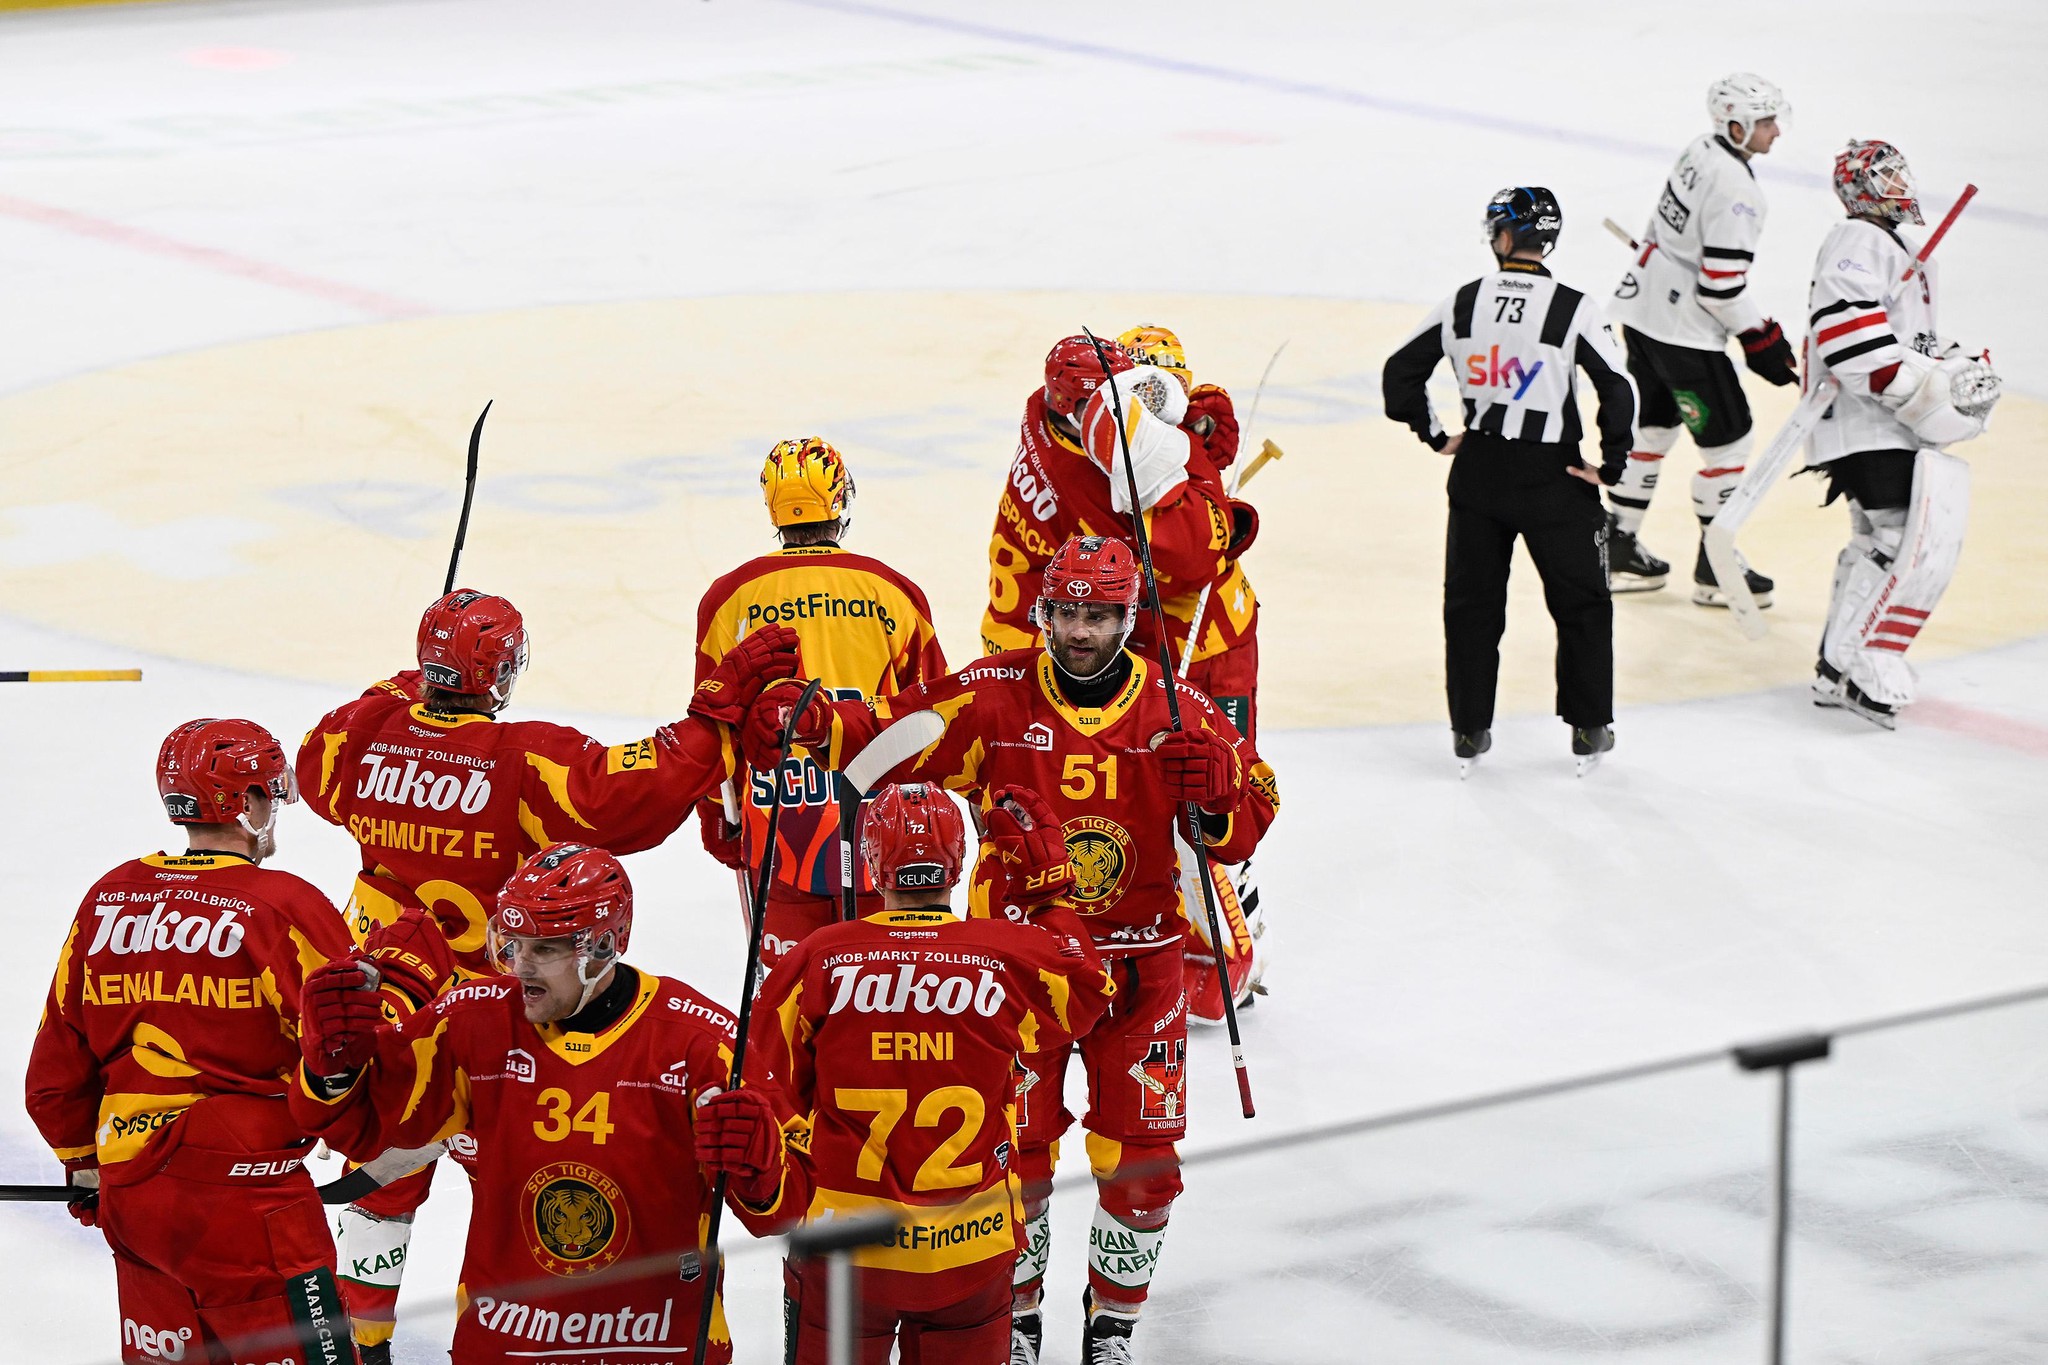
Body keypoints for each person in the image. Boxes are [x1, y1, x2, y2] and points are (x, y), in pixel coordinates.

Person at [747, 534, 1279, 1364]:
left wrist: (1218, 789)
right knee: (1017, 1161)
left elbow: (1247, 819)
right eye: (1063, 611)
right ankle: (1017, 1316)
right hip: (1017, 972)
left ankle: (1112, 1329)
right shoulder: (996, 691)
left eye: (1096, 615)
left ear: (1127, 619)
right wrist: (819, 725)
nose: (1076, 630)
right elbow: (895, 732)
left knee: (1142, 1172)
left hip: (1143, 970)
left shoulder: (1179, 708)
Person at [295, 589, 800, 1362]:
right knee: (529, 1183)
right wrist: (713, 718)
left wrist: (410, 693)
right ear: (500, 675)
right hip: (504, 1015)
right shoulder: (519, 758)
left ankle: (363, 1341)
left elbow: (318, 755)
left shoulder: (362, 737)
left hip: (395, 1000)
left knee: (384, 1178)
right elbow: (626, 793)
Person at [291, 843, 802, 1365]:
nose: (520, 967)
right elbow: (362, 1128)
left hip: (655, 1344)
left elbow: (785, 1213)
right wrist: (335, 1064)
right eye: (511, 945)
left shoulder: (701, 1044)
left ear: (606, 944)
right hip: (509, 1342)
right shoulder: (472, 1024)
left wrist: (761, 1171)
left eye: (545, 949)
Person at [695, 782, 1114, 1364]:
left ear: (871, 863)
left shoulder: (819, 955)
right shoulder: (1008, 953)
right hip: (973, 1250)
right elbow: (1092, 990)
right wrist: (1051, 900)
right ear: (959, 863)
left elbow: (767, 1087)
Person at [26, 719, 361, 1365]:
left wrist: (85, 1159)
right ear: (250, 802)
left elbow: (54, 1068)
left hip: (137, 1201)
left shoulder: (109, 896)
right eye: (269, 792)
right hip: (250, 1209)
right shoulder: (282, 904)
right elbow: (349, 1045)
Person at [1381, 186, 1637, 775]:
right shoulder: (1574, 306)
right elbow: (1618, 388)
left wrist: (1434, 433)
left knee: (1471, 608)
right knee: (1583, 605)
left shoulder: (1463, 302)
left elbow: (1400, 374)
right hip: (1556, 475)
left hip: (1480, 472)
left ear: (1502, 237)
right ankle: (1589, 726)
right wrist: (1613, 464)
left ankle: (1470, 731)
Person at [693, 437, 948, 971]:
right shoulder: (891, 591)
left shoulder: (729, 598)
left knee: (789, 999)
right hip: (888, 832)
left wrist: (718, 821)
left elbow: (714, 721)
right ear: (840, 501)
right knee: (884, 995)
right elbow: (933, 718)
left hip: (778, 828)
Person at [1800, 139, 2000, 728]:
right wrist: (1916, 389)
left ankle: (1835, 670)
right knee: (1896, 538)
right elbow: (1847, 338)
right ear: (1859, 188)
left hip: (1883, 419)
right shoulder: (1858, 239)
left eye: (1899, 172)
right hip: (1866, 417)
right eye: (1884, 176)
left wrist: (1953, 366)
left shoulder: (1897, 245)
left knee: (1876, 538)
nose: (1898, 183)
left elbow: (1908, 340)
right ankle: (1858, 670)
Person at [1114, 326, 1268, 1027]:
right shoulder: (1142, 443)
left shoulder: (1184, 434)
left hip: (1212, 641)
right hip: (1174, 641)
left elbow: (1216, 429)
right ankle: (1181, 934)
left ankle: (1235, 932)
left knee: (1219, 786)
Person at [1604, 73, 1798, 602]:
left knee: (1654, 427)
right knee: (1730, 443)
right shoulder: (1739, 191)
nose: (1776, 131)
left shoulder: (1700, 150)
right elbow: (1720, 287)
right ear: (1735, 127)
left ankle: (1617, 547)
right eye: (1765, 122)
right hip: (1685, 334)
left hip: (1642, 312)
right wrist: (1761, 338)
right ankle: (1716, 570)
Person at [979, 334, 1243, 669]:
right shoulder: (1094, 482)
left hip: (1019, 631)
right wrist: (1195, 447)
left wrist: (1183, 407)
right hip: (1051, 653)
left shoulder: (1043, 411)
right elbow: (1193, 562)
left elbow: (1113, 363)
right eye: (1106, 400)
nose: (1120, 408)